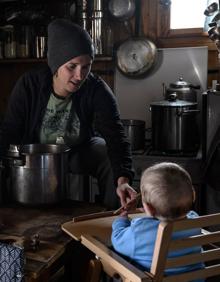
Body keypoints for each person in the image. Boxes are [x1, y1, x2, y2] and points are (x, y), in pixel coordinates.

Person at [0, 18, 136, 209]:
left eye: (86, 66)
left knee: (104, 149)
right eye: (72, 66)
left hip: (77, 151)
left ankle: (113, 220)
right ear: (56, 64)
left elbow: (116, 136)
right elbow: (10, 130)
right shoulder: (30, 84)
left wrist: (123, 180)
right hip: (35, 156)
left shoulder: (96, 89)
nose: (80, 75)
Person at [111, 162, 204, 281]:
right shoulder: (195, 221)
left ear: (148, 208)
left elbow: (118, 241)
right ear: (193, 195)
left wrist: (121, 220)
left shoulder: (141, 231)